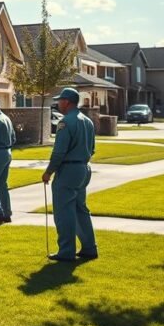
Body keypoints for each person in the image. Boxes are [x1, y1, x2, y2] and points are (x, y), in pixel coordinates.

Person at [42, 88, 99, 262]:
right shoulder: (87, 121)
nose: (58, 103)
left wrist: (49, 171)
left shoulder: (65, 122)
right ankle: (89, 248)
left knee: (64, 212)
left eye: (60, 100)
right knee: (80, 209)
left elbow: (59, 152)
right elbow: (93, 148)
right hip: (84, 168)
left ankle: (66, 251)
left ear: (67, 102)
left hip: (68, 170)